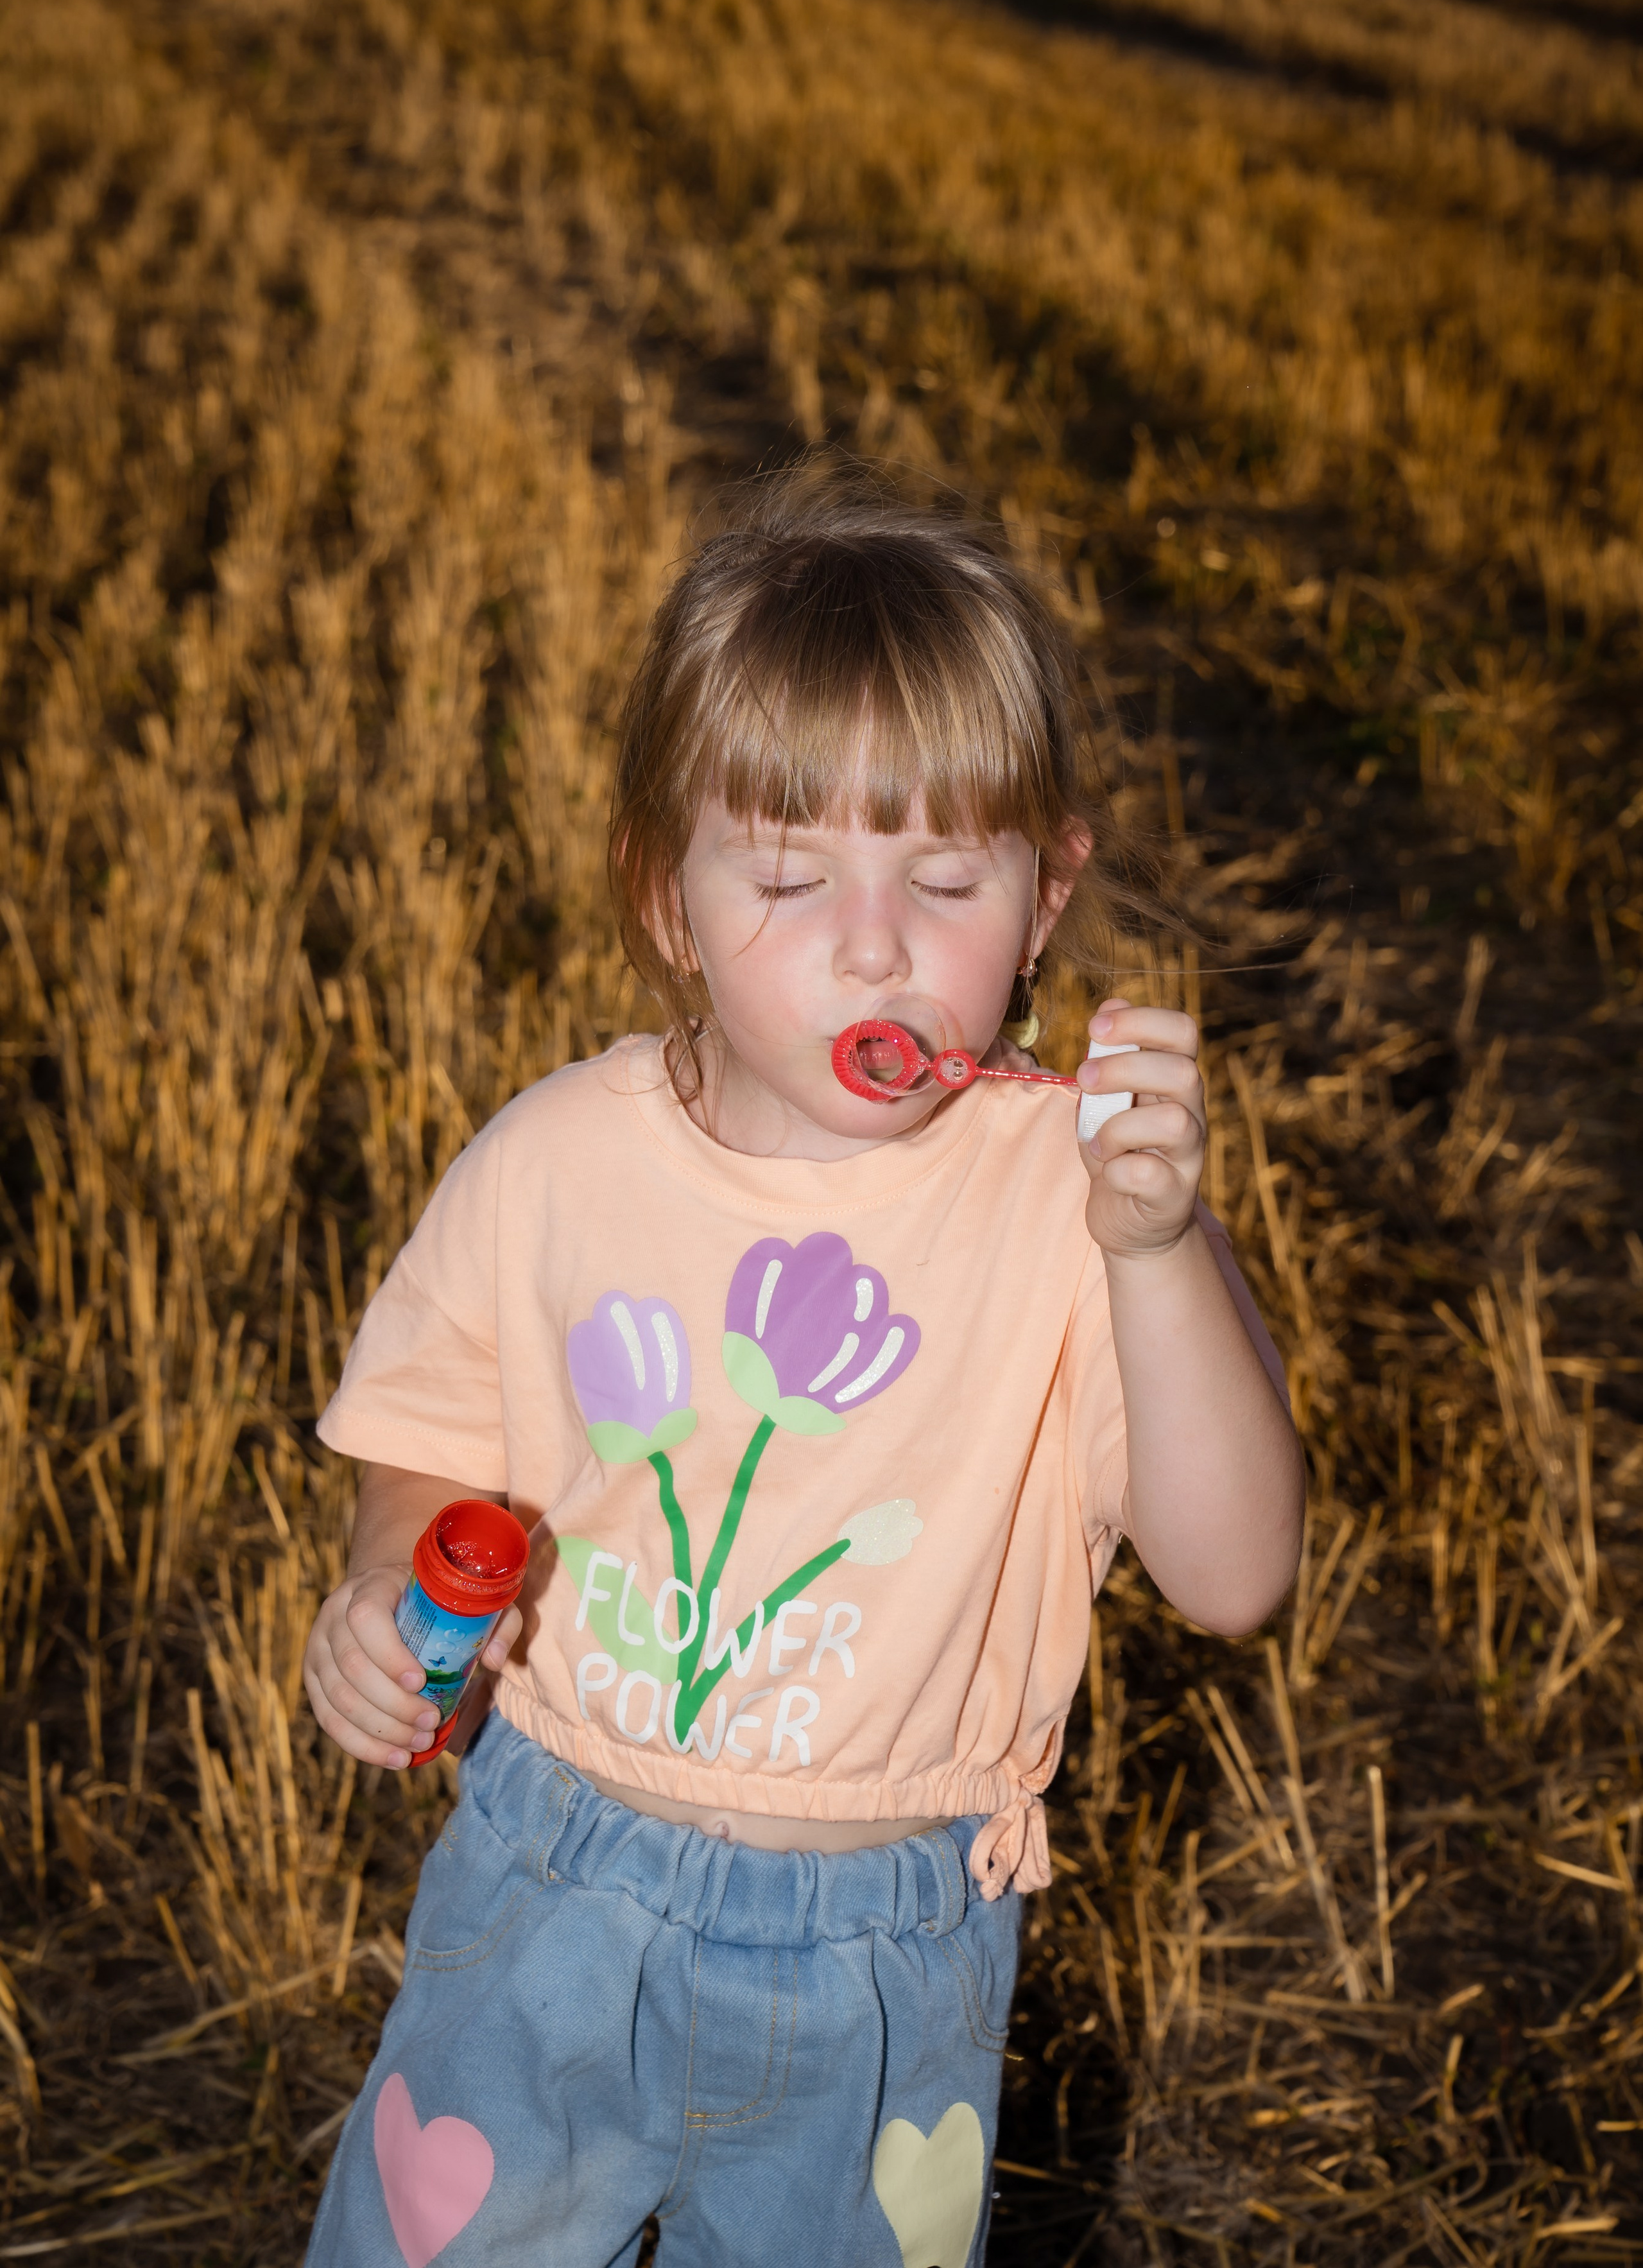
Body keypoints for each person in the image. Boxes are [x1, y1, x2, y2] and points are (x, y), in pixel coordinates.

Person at [301, 473, 1303, 2268]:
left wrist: (1161, 1253)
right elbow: (433, 1438)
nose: (872, 944)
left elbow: (1234, 1577)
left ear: (1048, 888)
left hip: (884, 1964)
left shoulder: (1075, 1210)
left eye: (944, 877)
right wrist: (393, 1574)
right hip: (550, 1892)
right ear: (667, 896)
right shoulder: (553, 1165)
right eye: (786, 876)